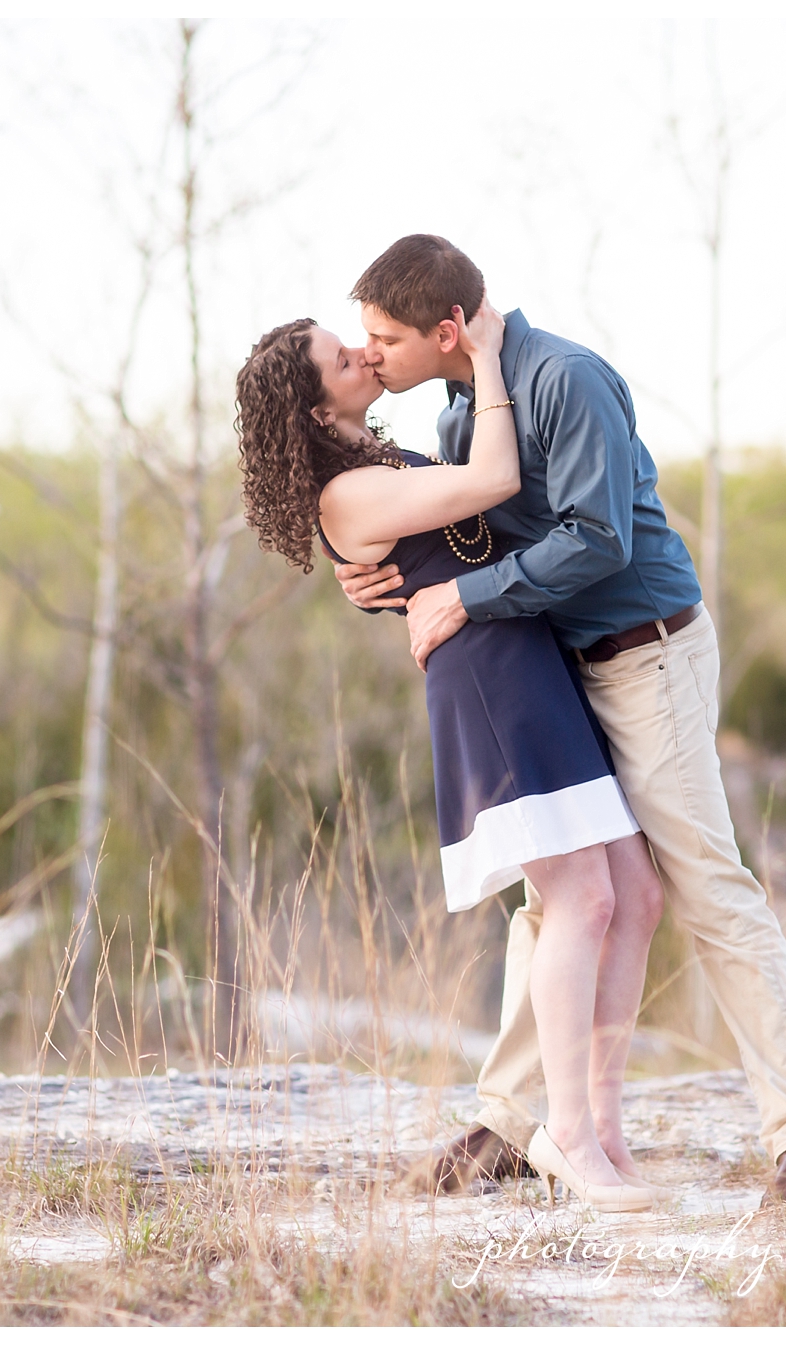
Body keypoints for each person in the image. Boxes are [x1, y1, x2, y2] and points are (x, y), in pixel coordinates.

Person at [337, 235, 786, 1205]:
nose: (372, 357)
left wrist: (470, 598)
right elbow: (455, 538)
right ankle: (511, 1123)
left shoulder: (565, 378)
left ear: (444, 329)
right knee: (559, 897)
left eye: (383, 338)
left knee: (703, 883)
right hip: (555, 665)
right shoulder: (459, 407)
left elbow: (597, 539)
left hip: (643, 654)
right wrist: (379, 581)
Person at [234, 300, 666, 1212]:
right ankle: (568, 1137)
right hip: (490, 689)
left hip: (531, 664)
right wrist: (488, 354)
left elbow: (457, 540)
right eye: (338, 354)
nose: (361, 351)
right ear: (316, 410)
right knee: (581, 899)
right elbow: (496, 476)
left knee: (636, 894)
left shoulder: (380, 462)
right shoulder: (347, 493)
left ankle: (604, 1124)